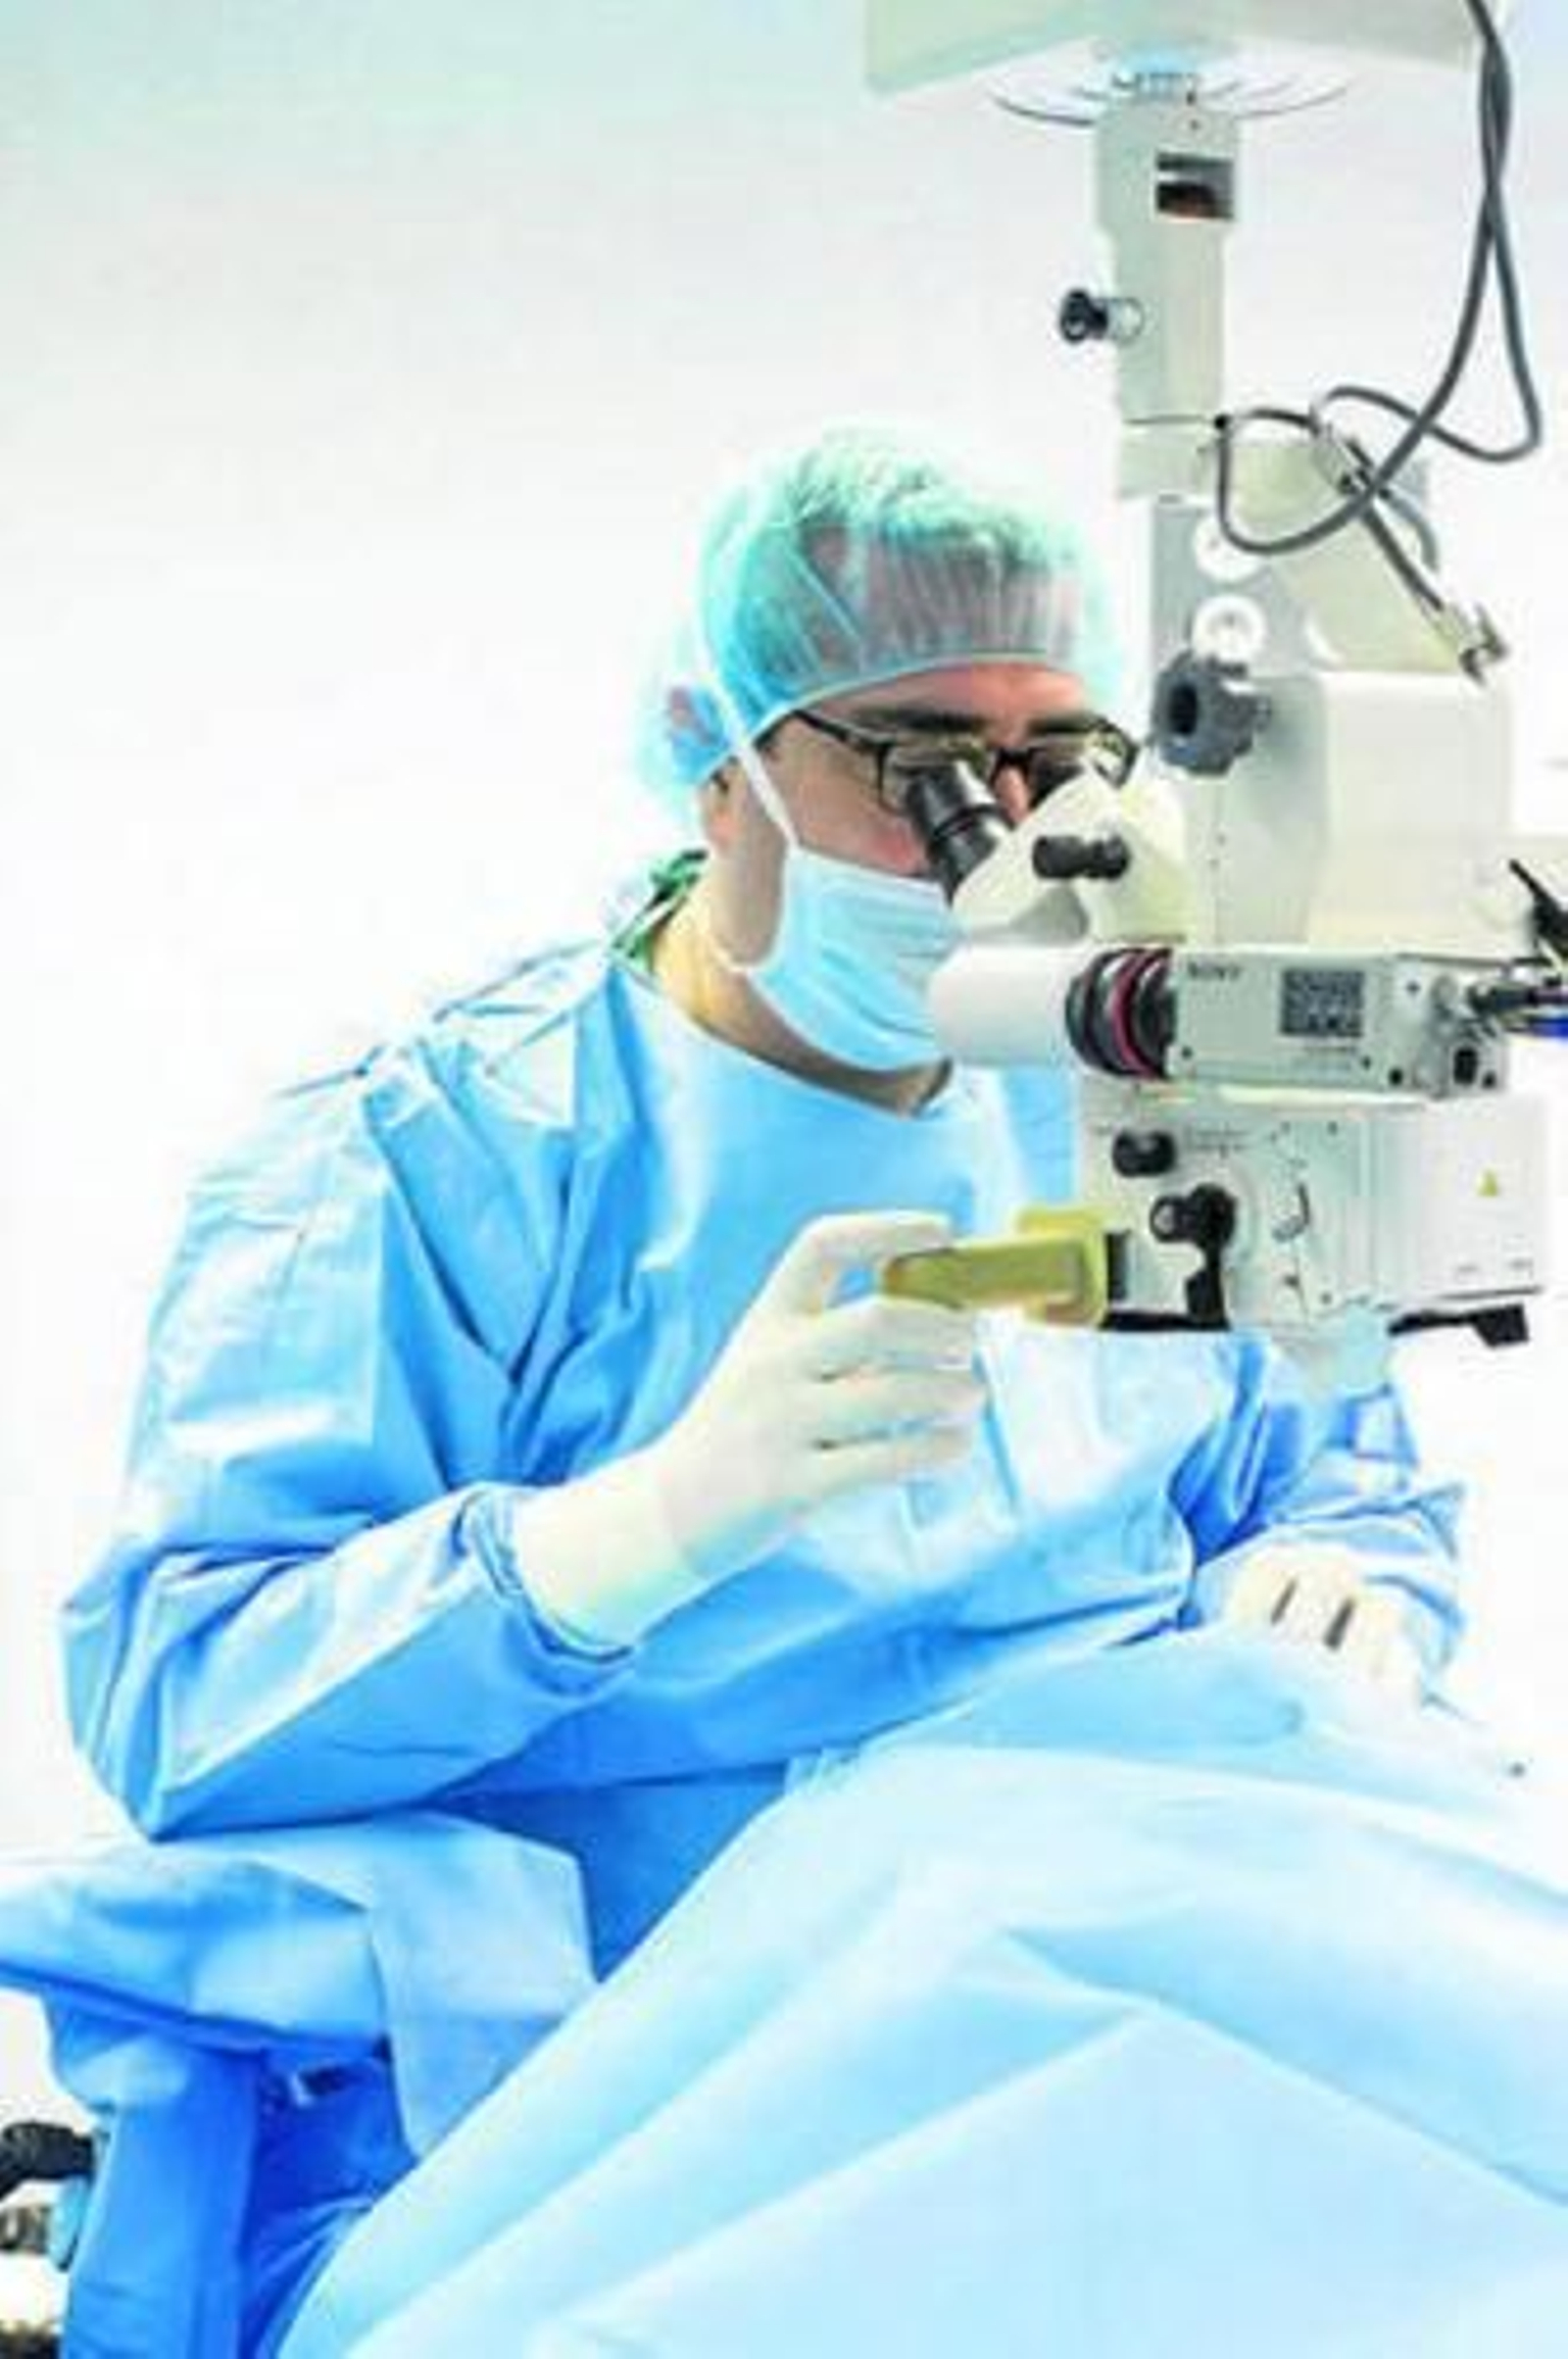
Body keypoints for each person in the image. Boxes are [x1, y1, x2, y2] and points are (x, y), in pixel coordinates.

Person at [61, 427, 1568, 2355]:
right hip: (694, 2021)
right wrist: (626, 1538)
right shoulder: (434, 1160)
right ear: (721, 766)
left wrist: (1350, 1593)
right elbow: (185, 1699)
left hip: (1155, 1897)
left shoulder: (1142, 1091)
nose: (1000, 837)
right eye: (917, 765)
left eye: (1057, 763)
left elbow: (1330, 1469)